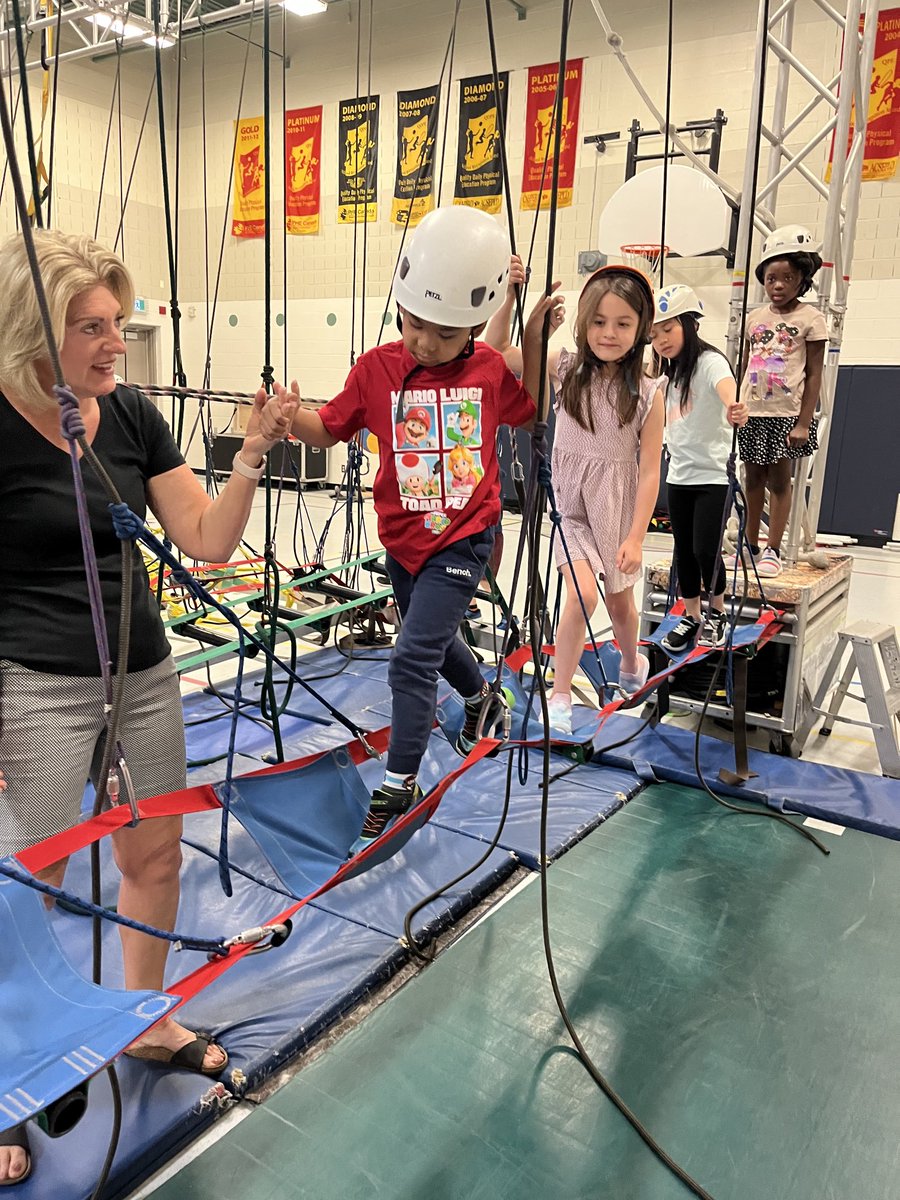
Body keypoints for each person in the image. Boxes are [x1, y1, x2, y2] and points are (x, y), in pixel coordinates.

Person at [0, 230, 297, 1187]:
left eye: (116, 325)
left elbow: (207, 539)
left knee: (153, 854)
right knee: (24, 891)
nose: (112, 344)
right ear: (29, 332)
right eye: (90, 327)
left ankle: (148, 1019)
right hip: (35, 687)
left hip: (142, 675)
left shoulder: (126, 417)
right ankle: (6, 1074)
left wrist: (251, 449)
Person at [258, 206, 562, 853]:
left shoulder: (485, 372)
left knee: (413, 657)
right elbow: (330, 426)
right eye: (414, 322)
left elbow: (530, 405)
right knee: (430, 638)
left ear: (475, 327)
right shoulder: (376, 369)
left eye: (444, 332)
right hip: (402, 539)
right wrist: (291, 420)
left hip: (464, 538)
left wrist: (532, 328)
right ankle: (481, 699)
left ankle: (399, 783)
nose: (425, 341)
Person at [486, 264, 664, 736]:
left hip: (618, 506)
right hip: (570, 502)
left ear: (641, 328)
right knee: (583, 592)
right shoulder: (564, 366)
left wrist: (636, 536)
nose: (609, 333)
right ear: (584, 322)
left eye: (623, 323)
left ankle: (631, 663)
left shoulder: (647, 392)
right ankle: (560, 692)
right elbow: (498, 355)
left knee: (620, 602)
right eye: (599, 321)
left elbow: (649, 472)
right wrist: (515, 304)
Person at [650, 285, 749, 653]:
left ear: (690, 324)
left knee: (706, 549)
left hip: (712, 478)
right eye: (654, 333)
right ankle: (691, 616)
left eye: (668, 329)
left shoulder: (710, 362)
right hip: (678, 475)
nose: (660, 340)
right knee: (684, 552)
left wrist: (734, 405)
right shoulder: (669, 372)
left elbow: (727, 389)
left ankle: (718, 612)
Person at [730, 224, 826, 579]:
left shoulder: (810, 319)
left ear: (802, 279)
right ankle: (750, 545)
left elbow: (815, 374)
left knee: (779, 481)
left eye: (787, 278)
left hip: (786, 413)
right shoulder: (755, 318)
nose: (778, 286)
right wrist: (736, 403)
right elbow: (744, 363)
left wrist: (803, 422)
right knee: (752, 478)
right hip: (753, 411)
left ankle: (774, 549)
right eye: (771, 279)